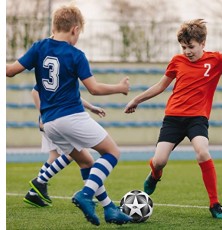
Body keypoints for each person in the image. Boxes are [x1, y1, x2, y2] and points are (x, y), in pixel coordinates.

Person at [6, 4, 132, 226]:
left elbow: (10, 71)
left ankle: (109, 209)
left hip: (50, 124)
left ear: (54, 27)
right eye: (79, 34)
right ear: (75, 29)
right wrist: (119, 87)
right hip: (72, 117)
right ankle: (84, 195)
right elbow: (93, 88)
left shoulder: (39, 47)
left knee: (86, 162)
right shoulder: (76, 55)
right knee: (112, 152)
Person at [124, 19, 222, 219]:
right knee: (159, 161)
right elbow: (160, 86)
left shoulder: (217, 59)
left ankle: (215, 204)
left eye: (191, 47)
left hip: (197, 119)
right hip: (173, 118)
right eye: (183, 47)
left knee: (202, 152)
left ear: (203, 43)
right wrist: (136, 99)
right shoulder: (177, 61)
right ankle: (155, 175)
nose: (187, 51)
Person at [24, 86, 108, 208]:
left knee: (56, 157)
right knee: (75, 155)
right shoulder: (57, 68)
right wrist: (42, 116)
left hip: (55, 118)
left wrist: (90, 107)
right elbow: (35, 91)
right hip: (56, 119)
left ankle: (33, 193)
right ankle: (40, 182)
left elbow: (72, 96)